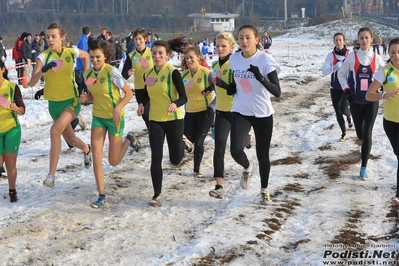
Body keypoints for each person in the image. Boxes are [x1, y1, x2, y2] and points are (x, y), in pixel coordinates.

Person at [28, 22, 92, 188]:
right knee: (70, 138)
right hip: (54, 105)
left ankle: (51, 175)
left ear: (61, 38)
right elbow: (30, 82)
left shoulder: (71, 52)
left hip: (71, 101)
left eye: (53, 36)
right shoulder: (44, 57)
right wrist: (43, 70)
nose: (50, 39)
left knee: (54, 131)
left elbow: (86, 56)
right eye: (47, 37)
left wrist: (86, 77)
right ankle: (86, 149)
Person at [80, 38, 139, 209]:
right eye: (92, 58)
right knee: (96, 157)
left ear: (105, 57)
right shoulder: (88, 75)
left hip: (115, 118)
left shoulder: (112, 72)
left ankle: (129, 140)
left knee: (113, 161)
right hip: (98, 117)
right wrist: (86, 98)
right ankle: (101, 195)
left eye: (98, 57)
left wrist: (117, 109)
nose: (95, 61)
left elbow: (128, 93)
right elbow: (92, 95)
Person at [226, 24, 281, 205]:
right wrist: (231, 87)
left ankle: (264, 190)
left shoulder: (265, 60)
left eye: (248, 37)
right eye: (241, 37)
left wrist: (260, 77)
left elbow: (277, 91)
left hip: (262, 113)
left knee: (262, 155)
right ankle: (247, 167)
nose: (244, 41)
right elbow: (237, 81)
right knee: (235, 150)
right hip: (241, 109)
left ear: (257, 40)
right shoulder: (234, 59)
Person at [137, 39, 189, 206]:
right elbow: (145, 94)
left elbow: (183, 97)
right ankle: (156, 193)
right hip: (155, 121)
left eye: (160, 54)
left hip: (174, 120)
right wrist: (140, 104)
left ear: (167, 55)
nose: (157, 57)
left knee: (175, 160)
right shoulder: (148, 73)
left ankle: (182, 142)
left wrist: (175, 104)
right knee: (156, 157)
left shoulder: (173, 72)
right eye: (154, 54)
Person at [338, 27, 385, 180]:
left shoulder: (377, 58)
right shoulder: (352, 57)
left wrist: (384, 87)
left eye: (367, 38)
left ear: (372, 39)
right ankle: (362, 137)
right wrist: (346, 90)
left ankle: (363, 167)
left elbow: (386, 75)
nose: (364, 41)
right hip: (356, 100)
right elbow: (341, 74)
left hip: (372, 100)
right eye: (361, 38)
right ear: (358, 40)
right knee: (360, 134)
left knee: (368, 133)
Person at [208, 32, 250, 199]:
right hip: (222, 111)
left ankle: (247, 166)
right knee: (219, 148)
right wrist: (209, 88)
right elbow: (216, 86)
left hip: (237, 111)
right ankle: (219, 186)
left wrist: (220, 83)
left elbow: (235, 88)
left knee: (236, 149)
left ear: (232, 47)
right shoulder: (214, 64)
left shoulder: (236, 64)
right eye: (217, 46)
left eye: (223, 46)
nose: (220, 49)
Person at [365, 37, 399, 204]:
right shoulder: (385, 71)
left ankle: (398, 195)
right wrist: (385, 95)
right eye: (393, 52)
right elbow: (369, 95)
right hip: (391, 123)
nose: (397, 55)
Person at [181, 45, 216, 178]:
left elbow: (218, 86)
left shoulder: (206, 73)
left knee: (199, 141)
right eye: (186, 58)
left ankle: (197, 169)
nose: (189, 61)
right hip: (190, 111)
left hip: (205, 111)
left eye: (191, 58)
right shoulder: (184, 75)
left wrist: (211, 105)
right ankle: (190, 148)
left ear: (199, 58)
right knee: (185, 140)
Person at [0, 59, 26, 202]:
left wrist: (17, 108)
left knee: (10, 163)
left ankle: (12, 191)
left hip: (12, 129)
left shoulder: (11, 87)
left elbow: (22, 109)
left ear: (2, 69)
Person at [321, 32, 353, 142]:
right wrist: (334, 67)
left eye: (340, 40)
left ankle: (349, 116)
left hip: (346, 86)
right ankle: (344, 132)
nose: (338, 42)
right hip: (335, 87)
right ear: (334, 42)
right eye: (336, 40)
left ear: (344, 41)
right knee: (337, 111)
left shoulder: (350, 54)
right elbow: (324, 72)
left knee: (344, 108)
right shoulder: (330, 56)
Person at [122, 28, 154, 130]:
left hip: (153, 87)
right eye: (136, 39)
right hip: (140, 88)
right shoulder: (131, 56)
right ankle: (152, 132)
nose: (138, 42)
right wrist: (128, 73)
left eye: (140, 39)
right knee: (145, 114)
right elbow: (123, 74)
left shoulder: (152, 53)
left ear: (145, 39)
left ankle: (155, 133)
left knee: (153, 113)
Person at [75, 26, 91, 95]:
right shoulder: (83, 41)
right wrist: (86, 66)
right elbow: (84, 55)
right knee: (84, 83)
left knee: (86, 82)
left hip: (83, 65)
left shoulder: (83, 40)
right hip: (83, 66)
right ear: (89, 32)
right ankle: (84, 96)